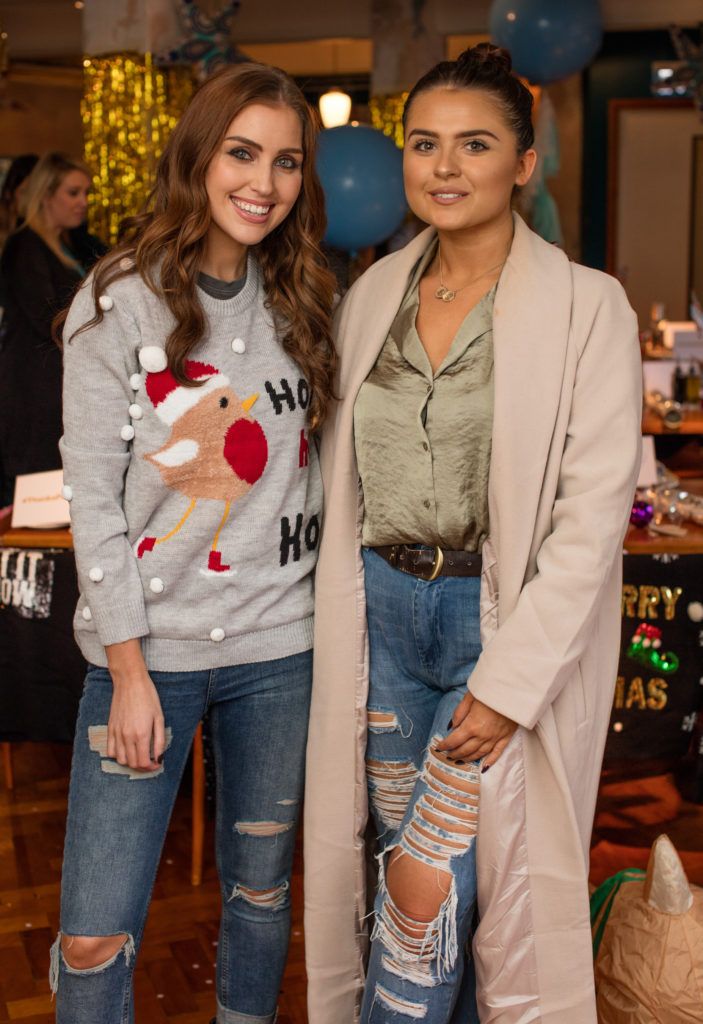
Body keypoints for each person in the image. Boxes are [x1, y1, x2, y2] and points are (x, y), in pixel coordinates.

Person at [304, 43, 642, 1024]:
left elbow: (589, 523)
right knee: (411, 890)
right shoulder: (370, 300)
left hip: (489, 623)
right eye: (423, 144)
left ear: (523, 164)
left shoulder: (590, 309)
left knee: (428, 895)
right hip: (381, 622)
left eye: (475, 144)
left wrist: (507, 684)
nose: (443, 166)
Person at [51, 63, 335, 1024]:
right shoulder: (117, 301)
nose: (263, 181)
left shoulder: (303, 299)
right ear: (197, 158)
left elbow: (320, 481)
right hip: (149, 660)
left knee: (260, 898)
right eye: (241, 153)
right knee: (93, 935)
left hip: (280, 654)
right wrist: (128, 671)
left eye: (286, 162)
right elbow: (92, 500)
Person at [0, 152, 104, 505]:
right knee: (37, 507)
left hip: (59, 389)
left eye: (86, 193)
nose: (83, 203)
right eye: (73, 193)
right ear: (46, 195)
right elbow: (50, 320)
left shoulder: (73, 245)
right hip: (35, 396)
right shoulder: (24, 246)